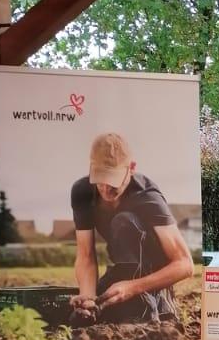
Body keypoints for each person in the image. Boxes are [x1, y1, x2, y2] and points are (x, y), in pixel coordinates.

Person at [70, 133, 193, 323]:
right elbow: (85, 255)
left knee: (123, 222)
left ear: (131, 168)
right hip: (124, 271)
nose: (104, 187)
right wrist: (87, 297)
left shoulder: (147, 197)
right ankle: (132, 305)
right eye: (100, 177)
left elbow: (185, 265)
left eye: (112, 179)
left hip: (153, 276)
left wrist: (133, 287)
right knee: (93, 309)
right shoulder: (82, 192)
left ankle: (158, 304)